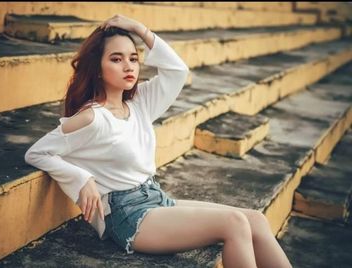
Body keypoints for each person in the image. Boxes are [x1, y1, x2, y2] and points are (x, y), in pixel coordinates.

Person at [24, 14, 292, 268]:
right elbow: (38, 153)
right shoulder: (92, 118)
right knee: (234, 222)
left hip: (155, 198)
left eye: (133, 58)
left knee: (255, 220)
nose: (128, 66)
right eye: (116, 59)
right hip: (129, 217)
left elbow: (177, 71)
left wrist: (140, 29)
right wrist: (82, 179)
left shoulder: (140, 102)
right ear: (97, 69)